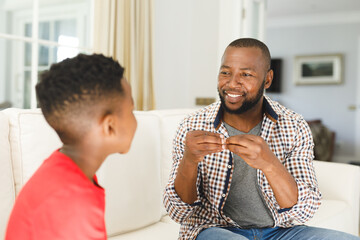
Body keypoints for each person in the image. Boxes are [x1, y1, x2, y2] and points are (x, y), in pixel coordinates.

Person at [163, 38, 360, 240]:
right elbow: (179, 213)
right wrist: (189, 160)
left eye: (246, 74)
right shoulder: (193, 126)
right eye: (225, 72)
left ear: (267, 79)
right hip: (215, 230)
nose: (232, 83)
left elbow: (304, 211)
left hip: (281, 232)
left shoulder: (294, 125)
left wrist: (269, 163)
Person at [5, 54, 137, 240]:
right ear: (110, 126)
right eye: (131, 110)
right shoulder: (73, 202)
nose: (134, 118)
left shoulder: (65, 170)